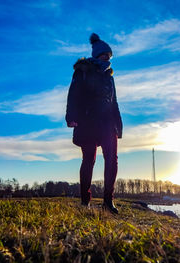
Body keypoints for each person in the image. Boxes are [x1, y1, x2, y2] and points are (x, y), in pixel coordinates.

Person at [65, 33, 123, 214]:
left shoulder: (109, 77)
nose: (107, 58)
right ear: (97, 54)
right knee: (89, 159)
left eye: (110, 56)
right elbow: (73, 94)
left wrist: (118, 124)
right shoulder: (83, 70)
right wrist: (70, 116)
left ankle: (108, 201)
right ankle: (85, 200)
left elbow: (114, 102)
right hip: (88, 121)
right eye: (105, 54)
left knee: (112, 160)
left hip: (107, 123)